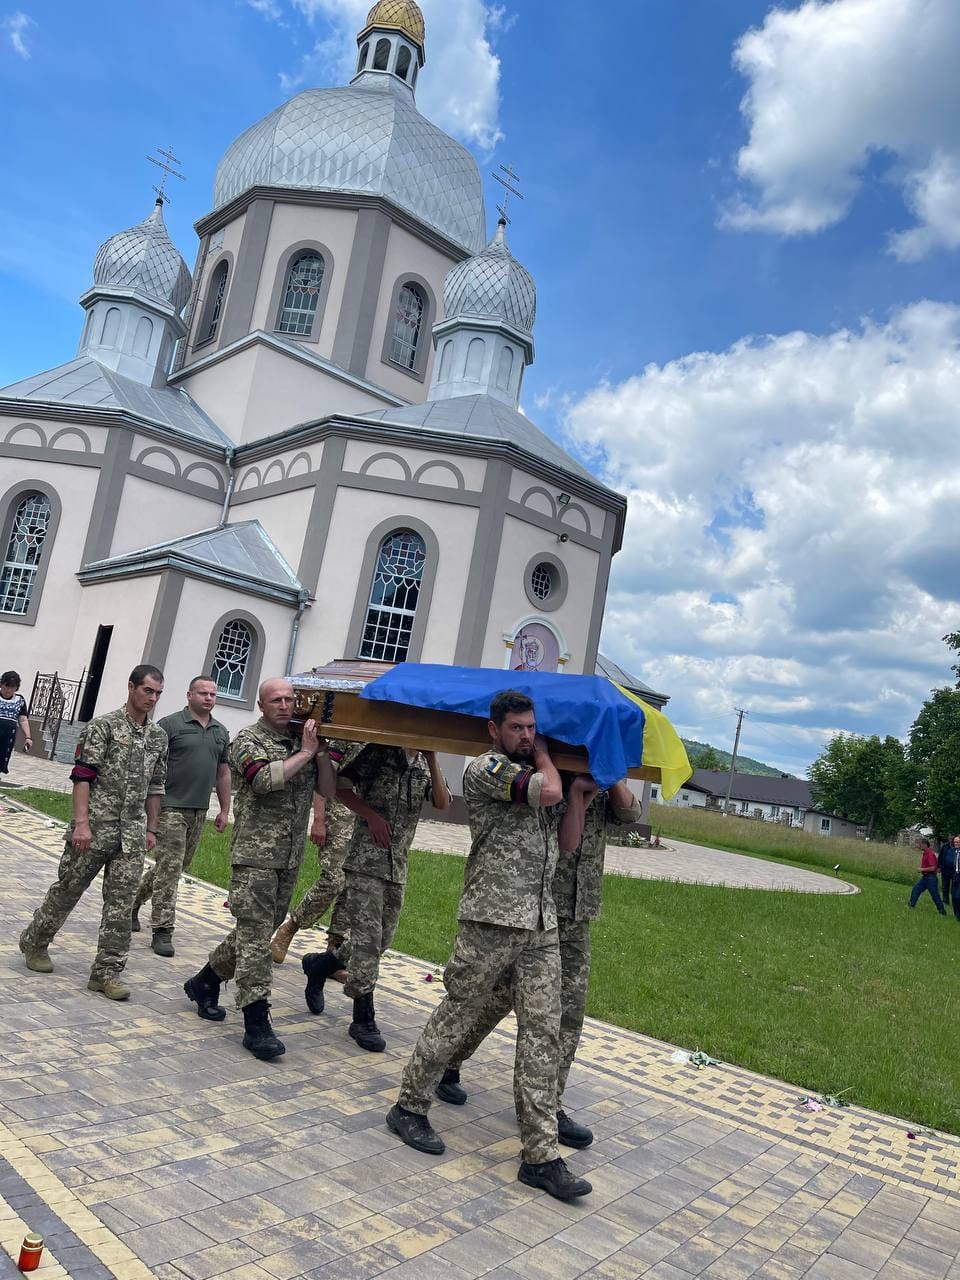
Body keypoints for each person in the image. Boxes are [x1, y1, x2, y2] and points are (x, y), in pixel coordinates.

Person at [386, 690, 593, 1203]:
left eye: (531, 727)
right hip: (490, 920)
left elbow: (567, 843)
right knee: (459, 1012)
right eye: (518, 728)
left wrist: (582, 798)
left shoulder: (544, 776)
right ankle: (409, 1105)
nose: (526, 735)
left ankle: (540, 1156)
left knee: (543, 1032)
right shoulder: (487, 770)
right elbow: (545, 792)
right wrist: (548, 754)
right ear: (494, 730)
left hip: (541, 924)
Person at [437, 773, 641, 1152]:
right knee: (497, 996)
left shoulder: (603, 778)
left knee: (568, 1015)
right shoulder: (548, 774)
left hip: (579, 912)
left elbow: (630, 812)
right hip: (537, 909)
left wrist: (611, 774)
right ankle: (446, 1060)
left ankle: (550, 1105)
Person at [182, 678, 335, 1060]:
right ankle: (255, 1019)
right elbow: (263, 780)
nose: (285, 706)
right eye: (276, 700)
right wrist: (304, 752)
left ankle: (205, 981)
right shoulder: (248, 740)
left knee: (258, 930)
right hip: (255, 855)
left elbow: (329, 789)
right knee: (255, 937)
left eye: (290, 699)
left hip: (288, 857)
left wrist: (320, 754)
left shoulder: (302, 742)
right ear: (262, 706)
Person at [18, 665, 168, 999]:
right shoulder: (104, 727)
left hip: (130, 834)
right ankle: (35, 941)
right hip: (95, 829)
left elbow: (156, 786)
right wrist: (81, 824)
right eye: (148, 691)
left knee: (121, 904)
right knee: (68, 889)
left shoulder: (158, 737)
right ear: (131, 687)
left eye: (158, 693)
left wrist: (152, 828)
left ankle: (106, 973)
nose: (153, 698)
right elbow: (83, 776)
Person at [300, 745, 450, 1051]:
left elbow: (442, 802)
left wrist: (434, 757)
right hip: (366, 859)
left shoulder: (422, 761)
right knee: (368, 942)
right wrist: (370, 816)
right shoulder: (378, 751)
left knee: (382, 940)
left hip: (397, 864)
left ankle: (321, 965)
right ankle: (362, 1019)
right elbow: (340, 785)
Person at [131, 676, 231, 957]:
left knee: (173, 867)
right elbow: (150, 767)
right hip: (170, 808)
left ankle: (133, 902)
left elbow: (223, 772)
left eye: (213, 694)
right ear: (189, 695)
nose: (209, 698)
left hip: (199, 810)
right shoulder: (170, 726)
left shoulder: (220, 732)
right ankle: (163, 929)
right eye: (203, 693)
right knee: (170, 869)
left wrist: (224, 809)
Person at [269, 741, 362, 963]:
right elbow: (324, 776)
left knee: (353, 885)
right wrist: (319, 820)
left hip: (366, 819)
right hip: (339, 816)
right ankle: (292, 926)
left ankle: (334, 954)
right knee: (334, 879)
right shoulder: (349, 737)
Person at [0, 670, 31, 779]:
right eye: (6, 686)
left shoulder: (20, 700)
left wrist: (28, 737)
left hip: (7, 736)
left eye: (12, 687)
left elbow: (23, 720)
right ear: (1, 684)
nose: (8, 690)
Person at [909, 840, 946, 915]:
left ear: (925, 845)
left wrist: (922, 869)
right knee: (916, 889)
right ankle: (911, 905)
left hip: (931, 879)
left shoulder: (930, 854)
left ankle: (942, 911)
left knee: (935, 895)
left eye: (920, 844)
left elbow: (933, 868)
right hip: (925, 878)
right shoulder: (925, 853)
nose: (919, 846)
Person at [938, 835, 956, 913]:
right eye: (950, 838)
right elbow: (940, 857)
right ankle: (945, 901)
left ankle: (954, 902)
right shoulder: (945, 847)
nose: (951, 840)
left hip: (955, 871)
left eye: (952, 839)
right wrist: (938, 867)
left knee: (954, 888)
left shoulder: (957, 847)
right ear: (948, 839)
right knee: (945, 886)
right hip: (945, 869)